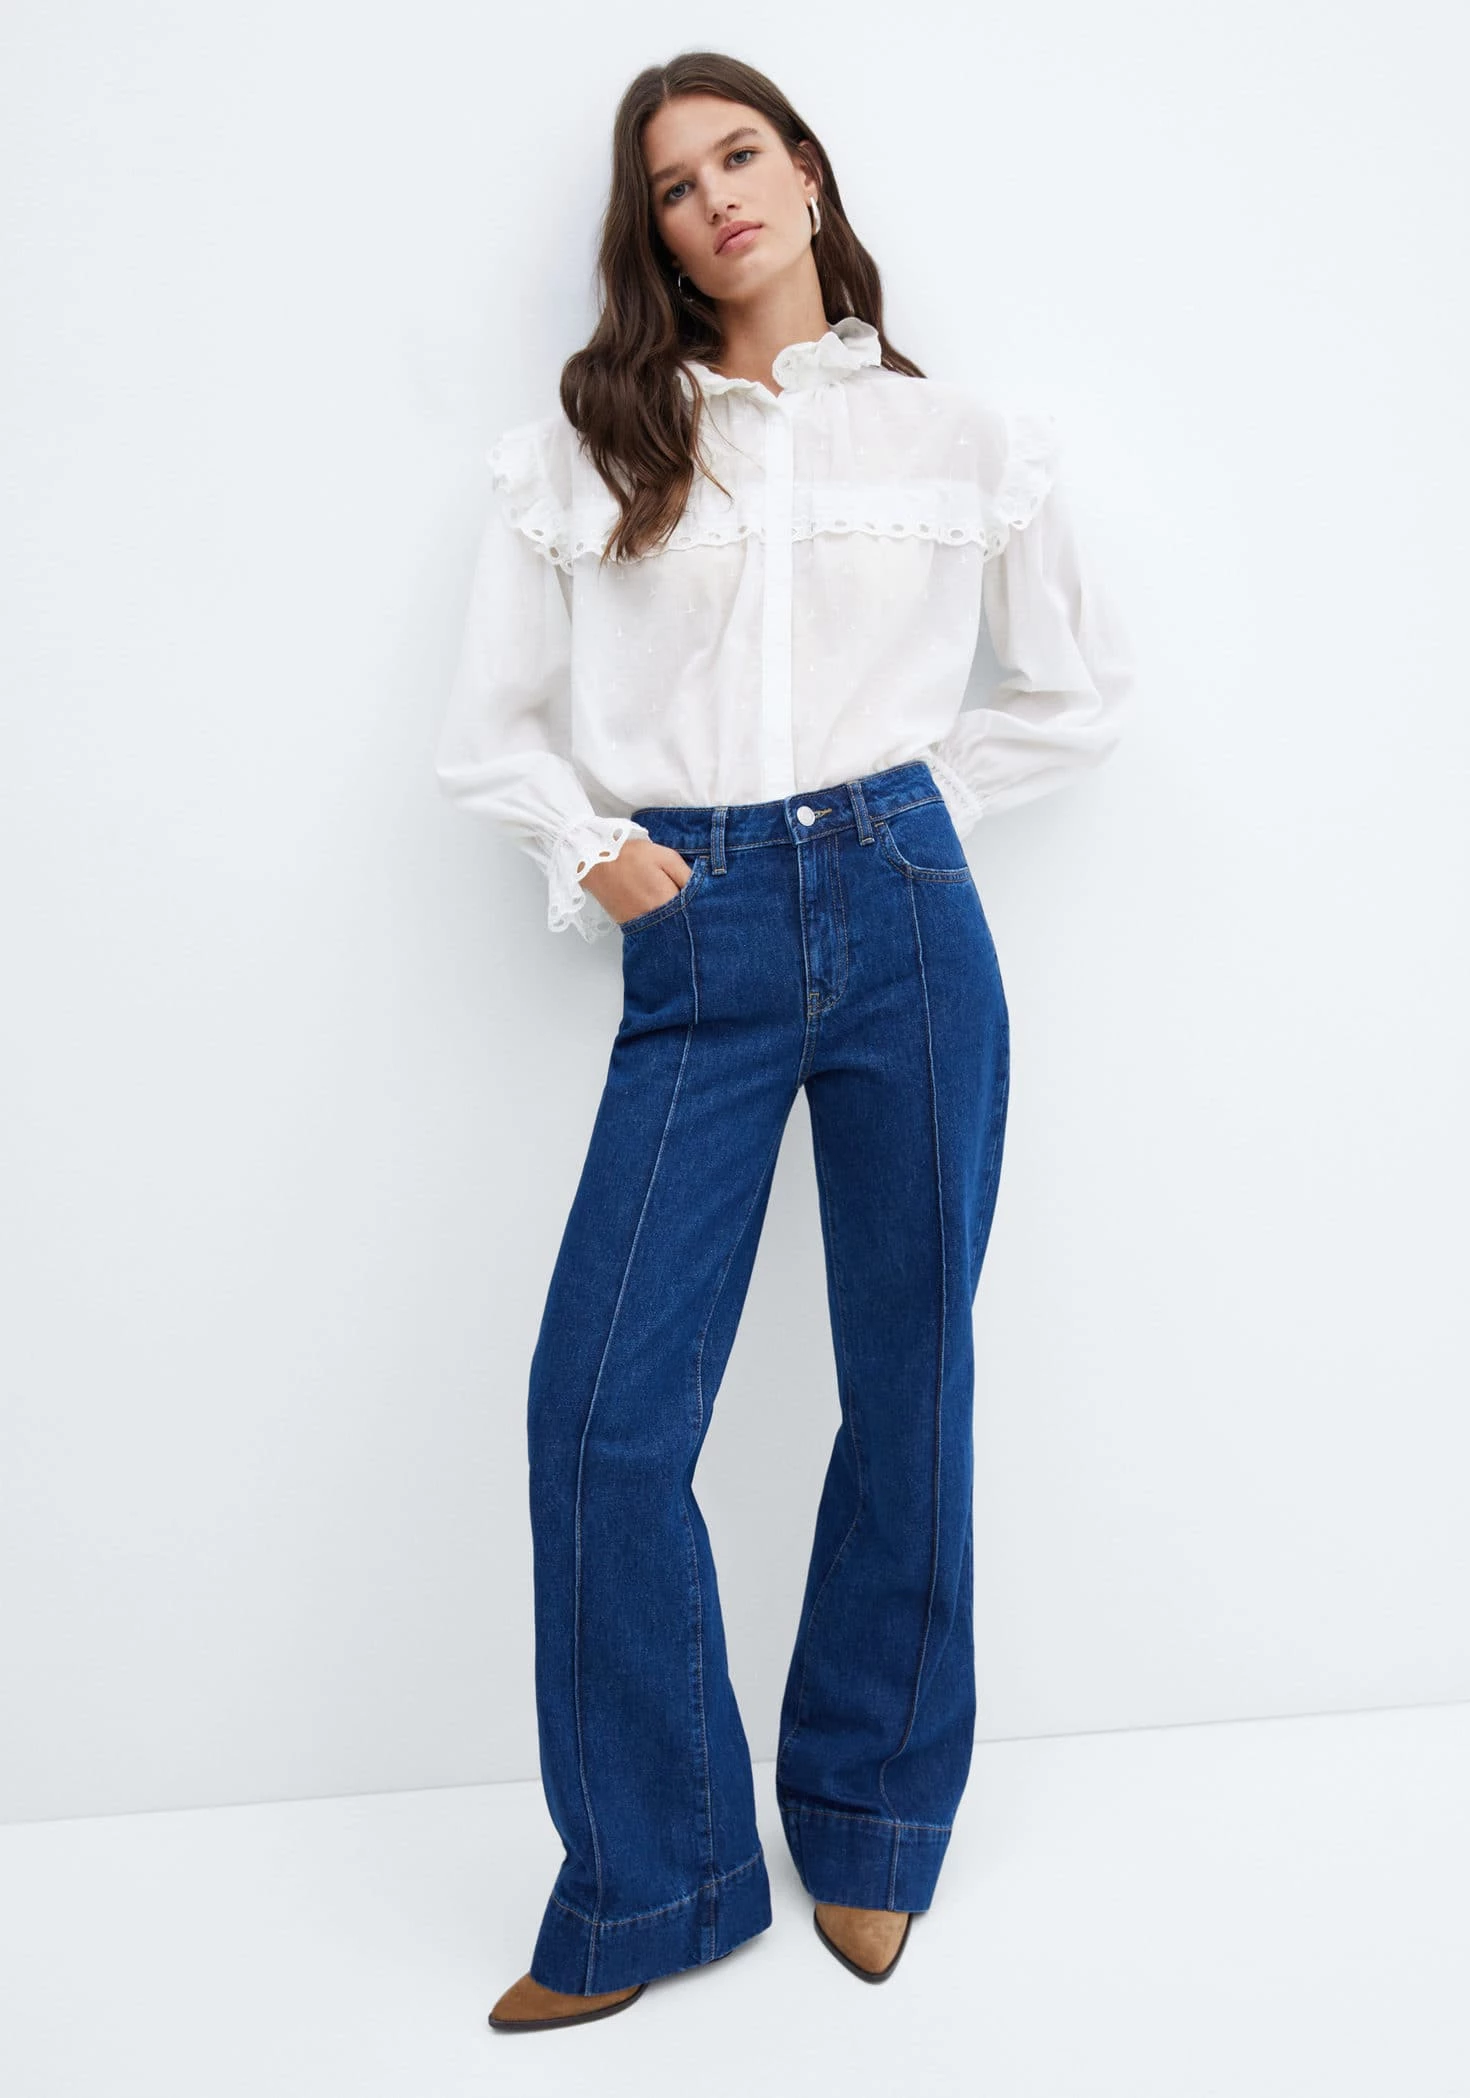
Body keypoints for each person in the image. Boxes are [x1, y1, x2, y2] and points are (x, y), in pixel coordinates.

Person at [433, 52, 1135, 2036]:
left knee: (912, 1385)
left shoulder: (964, 436)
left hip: (908, 916)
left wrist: (912, 816)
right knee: (600, 1414)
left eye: (739, 154)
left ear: (807, 172)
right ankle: (652, 1877)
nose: (715, 197)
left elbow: (1079, 690)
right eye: (673, 183)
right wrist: (593, 848)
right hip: (702, 925)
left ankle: (873, 1813)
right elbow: (489, 732)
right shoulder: (591, 447)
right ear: (653, 233)